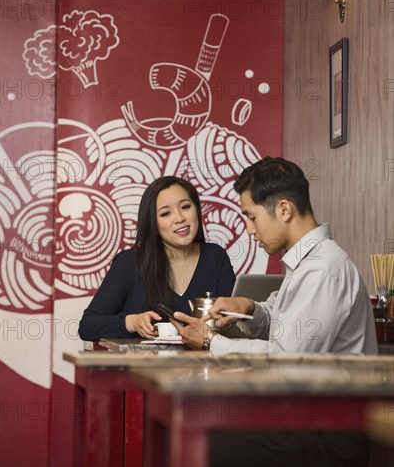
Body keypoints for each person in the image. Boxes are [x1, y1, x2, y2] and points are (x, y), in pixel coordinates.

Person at [172, 157, 378, 467]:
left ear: (284, 210)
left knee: (207, 439)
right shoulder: (310, 262)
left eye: (251, 217)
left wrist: (210, 342)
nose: (249, 229)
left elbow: (285, 361)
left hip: (331, 434)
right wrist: (251, 307)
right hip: (310, 419)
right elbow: (288, 325)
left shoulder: (321, 270)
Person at [78, 176, 235, 341]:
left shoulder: (216, 257)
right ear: (153, 224)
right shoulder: (129, 262)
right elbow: (88, 326)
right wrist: (131, 322)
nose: (180, 218)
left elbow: (235, 321)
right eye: (166, 213)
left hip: (206, 365)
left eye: (186, 207)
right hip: (142, 366)